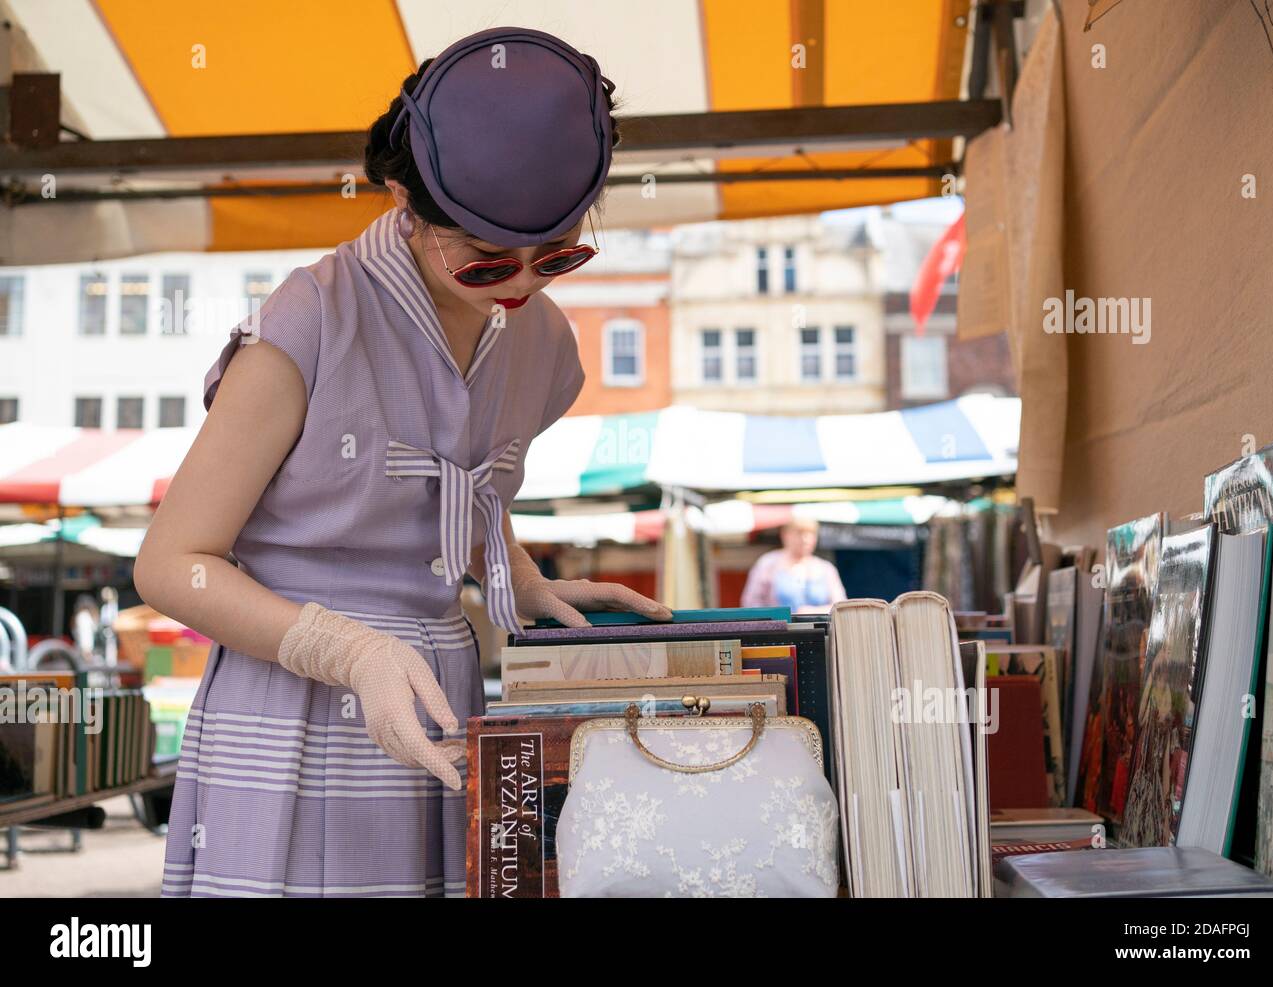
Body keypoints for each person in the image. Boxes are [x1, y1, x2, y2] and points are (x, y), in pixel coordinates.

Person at [134, 26, 671, 899]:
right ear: (403, 203)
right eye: (488, 259)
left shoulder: (544, 342)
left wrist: (522, 576)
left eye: (559, 255)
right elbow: (168, 564)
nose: (523, 284)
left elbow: (463, 483)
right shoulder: (310, 321)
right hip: (293, 701)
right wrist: (344, 649)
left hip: (443, 696)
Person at [739, 519, 847, 614]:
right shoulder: (767, 564)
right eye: (799, 533)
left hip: (822, 633)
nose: (805, 539)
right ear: (785, 535)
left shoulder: (826, 568)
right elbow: (750, 603)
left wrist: (812, 612)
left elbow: (841, 607)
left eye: (810, 534)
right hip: (779, 633)